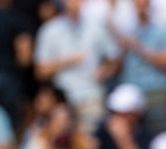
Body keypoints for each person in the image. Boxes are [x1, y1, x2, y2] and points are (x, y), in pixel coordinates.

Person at [34, 0, 118, 131]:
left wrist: (105, 70)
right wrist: (68, 61)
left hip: (91, 95)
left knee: (92, 141)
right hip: (62, 98)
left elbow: (114, 59)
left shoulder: (96, 27)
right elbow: (41, 70)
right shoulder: (50, 30)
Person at [111, 0, 166, 122]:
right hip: (131, 93)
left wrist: (139, 48)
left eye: (143, 5)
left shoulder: (163, 31)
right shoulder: (126, 32)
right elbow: (114, 68)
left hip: (155, 92)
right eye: (137, 5)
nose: (140, 9)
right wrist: (122, 50)